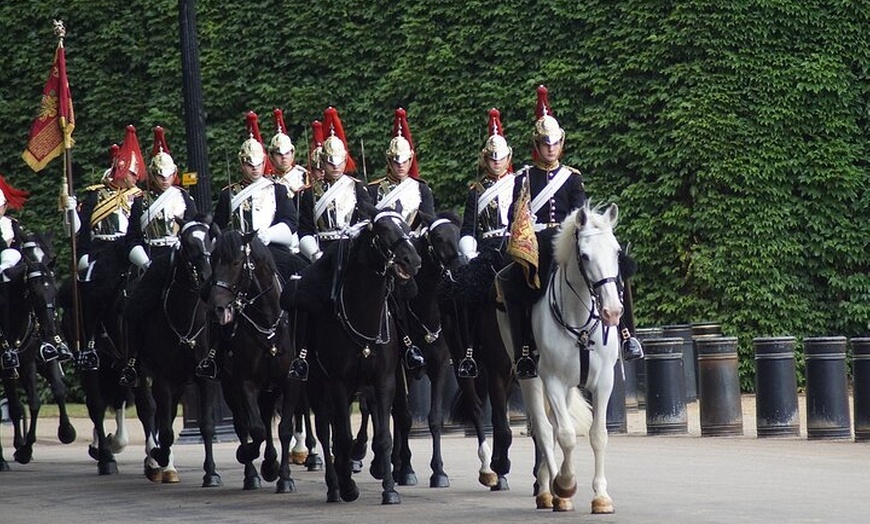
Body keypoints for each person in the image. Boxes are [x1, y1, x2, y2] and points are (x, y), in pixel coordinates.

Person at [498, 86, 588, 379]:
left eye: (555, 143)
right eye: (545, 144)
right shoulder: (523, 176)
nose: (551, 148)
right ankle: (524, 350)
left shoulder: (573, 178)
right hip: (535, 243)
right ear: (537, 144)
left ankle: (625, 335)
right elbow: (514, 214)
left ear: (562, 143)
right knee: (511, 281)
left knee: (613, 267)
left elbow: (579, 214)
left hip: (564, 242)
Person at [118, 126, 198, 386]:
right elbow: (132, 239)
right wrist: (145, 262)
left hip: (181, 258)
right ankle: (133, 360)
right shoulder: (141, 201)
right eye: (159, 175)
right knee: (133, 306)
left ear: (175, 175)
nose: (164, 179)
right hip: (152, 259)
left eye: (169, 175)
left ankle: (212, 355)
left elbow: (195, 231)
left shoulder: (185, 197)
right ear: (152, 175)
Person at [66, 125, 146, 370]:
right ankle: (88, 343)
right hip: (101, 250)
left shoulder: (141, 196)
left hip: (129, 247)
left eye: (135, 173)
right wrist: (69, 208)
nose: (134, 178)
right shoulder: (95, 195)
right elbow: (77, 231)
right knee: (90, 287)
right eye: (131, 172)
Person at [451, 108, 517, 378]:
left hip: (514, 248)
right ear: (485, 160)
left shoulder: (518, 183)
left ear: (508, 158)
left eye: (500, 158)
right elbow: (469, 228)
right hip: (488, 251)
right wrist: (469, 248)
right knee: (469, 295)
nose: (496, 162)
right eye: (492, 158)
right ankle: (469, 352)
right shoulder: (476, 191)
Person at [366, 108, 433, 371]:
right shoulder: (373, 189)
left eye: (405, 160)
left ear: (411, 159)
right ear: (389, 161)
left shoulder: (421, 188)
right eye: (395, 161)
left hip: (414, 253)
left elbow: (429, 222)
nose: (401, 165)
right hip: (388, 258)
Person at [214, 111, 303, 281]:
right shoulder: (228, 194)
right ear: (242, 164)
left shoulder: (278, 190)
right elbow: (219, 227)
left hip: (271, 248)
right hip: (237, 254)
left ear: (264, 162)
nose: (255, 169)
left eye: (259, 164)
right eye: (250, 164)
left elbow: (290, 222)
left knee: (300, 272)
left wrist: (269, 234)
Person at [298, 107, 373, 262]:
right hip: (322, 250)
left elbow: (366, 220)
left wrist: (355, 234)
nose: (336, 167)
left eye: (340, 162)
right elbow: (305, 230)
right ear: (323, 162)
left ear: (345, 161)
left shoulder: (357, 187)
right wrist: (315, 254)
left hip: (352, 248)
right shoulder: (309, 192)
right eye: (331, 163)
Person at [269, 108, 309, 214]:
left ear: (293, 154)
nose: (284, 157)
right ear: (271, 156)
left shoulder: (304, 176)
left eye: (287, 153)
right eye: (279, 154)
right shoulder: (267, 179)